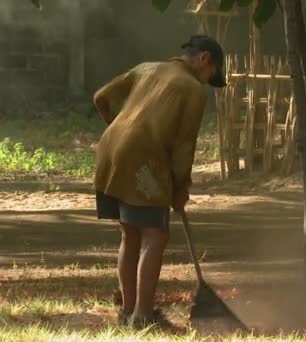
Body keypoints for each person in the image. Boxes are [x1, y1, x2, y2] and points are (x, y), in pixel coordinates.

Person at [92, 35, 226, 329]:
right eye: (210, 75)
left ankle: (127, 312)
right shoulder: (192, 89)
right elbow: (183, 145)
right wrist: (180, 188)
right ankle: (142, 316)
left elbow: (101, 97)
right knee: (155, 237)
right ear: (204, 59)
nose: (206, 82)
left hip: (110, 152)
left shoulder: (146, 68)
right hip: (143, 161)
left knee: (130, 234)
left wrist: (122, 128)